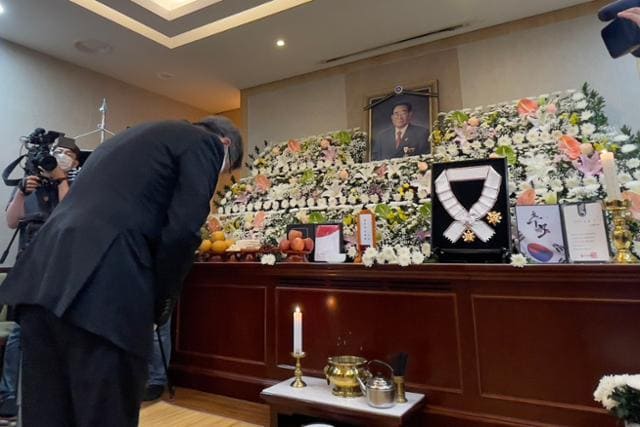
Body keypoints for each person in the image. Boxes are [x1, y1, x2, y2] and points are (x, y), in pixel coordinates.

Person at [0, 117, 243, 426]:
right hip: (105, 288)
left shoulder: (120, 142)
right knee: (106, 412)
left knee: (48, 414)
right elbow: (183, 230)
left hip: (40, 278)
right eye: (224, 170)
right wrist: (161, 302)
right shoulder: (205, 143)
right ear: (225, 144)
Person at [0, 139, 81, 419]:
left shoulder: (77, 186)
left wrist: (61, 181)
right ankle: (8, 396)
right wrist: (22, 193)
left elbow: (69, 219)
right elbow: (12, 221)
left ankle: (53, 397)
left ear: (76, 162)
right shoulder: (30, 182)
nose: (60, 156)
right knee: (19, 333)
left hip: (61, 270)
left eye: (68, 154)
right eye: (58, 152)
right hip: (29, 267)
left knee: (58, 332)